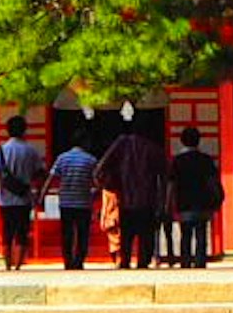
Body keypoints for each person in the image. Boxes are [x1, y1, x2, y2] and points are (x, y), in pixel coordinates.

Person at [98, 106, 169, 270]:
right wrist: (163, 203)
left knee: (127, 237)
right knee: (146, 237)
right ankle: (143, 263)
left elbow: (100, 169)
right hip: (147, 199)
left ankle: (125, 261)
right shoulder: (153, 148)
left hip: (125, 198)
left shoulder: (120, 144)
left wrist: (110, 186)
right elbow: (164, 177)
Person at [0, 115, 47, 271]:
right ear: (24, 130)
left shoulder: (1, 150)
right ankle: (18, 265)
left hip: (5, 197)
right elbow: (40, 172)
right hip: (24, 196)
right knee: (22, 232)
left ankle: (7, 264)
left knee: (7, 231)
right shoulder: (30, 150)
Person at [46, 125, 104, 271]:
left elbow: (51, 178)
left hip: (66, 201)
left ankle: (68, 261)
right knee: (83, 233)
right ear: (85, 142)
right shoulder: (90, 160)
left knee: (67, 233)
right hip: (84, 202)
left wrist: (42, 194)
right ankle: (79, 260)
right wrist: (98, 192)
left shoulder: (62, 158)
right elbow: (97, 181)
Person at [169, 127, 223, 267]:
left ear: (182, 141)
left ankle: (185, 261)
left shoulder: (177, 161)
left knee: (185, 235)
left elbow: (172, 184)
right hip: (202, 202)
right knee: (201, 234)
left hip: (184, 202)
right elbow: (212, 181)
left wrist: (168, 202)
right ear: (198, 141)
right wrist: (218, 198)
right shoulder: (205, 160)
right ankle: (200, 261)